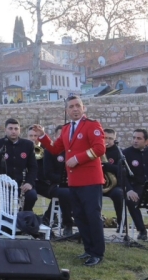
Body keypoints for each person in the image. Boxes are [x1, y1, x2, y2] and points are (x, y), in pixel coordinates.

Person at [33, 95, 106, 267]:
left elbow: (99, 148)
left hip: (90, 180)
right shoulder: (66, 129)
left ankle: (97, 252)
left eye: (77, 106)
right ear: (66, 110)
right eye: (71, 107)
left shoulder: (92, 125)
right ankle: (88, 249)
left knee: (92, 216)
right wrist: (43, 136)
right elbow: (54, 148)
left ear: (83, 108)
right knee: (80, 217)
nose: (75, 109)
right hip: (74, 181)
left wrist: (78, 159)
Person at [0, 118, 38, 211]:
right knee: (7, 201)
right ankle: (6, 222)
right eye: (10, 128)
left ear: (20, 130)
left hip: (21, 183)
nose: (13, 131)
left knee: (32, 196)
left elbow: (33, 167)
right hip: (3, 184)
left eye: (16, 129)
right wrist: (1, 180)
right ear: (5, 129)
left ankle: (23, 217)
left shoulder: (28, 145)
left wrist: (29, 183)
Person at [29, 125, 73, 237]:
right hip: (54, 185)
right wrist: (65, 179)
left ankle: (85, 225)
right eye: (60, 135)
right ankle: (68, 224)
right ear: (55, 137)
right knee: (66, 193)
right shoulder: (50, 151)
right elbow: (48, 174)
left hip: (73, 184)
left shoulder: (73, 150)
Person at [123, 129, 148, 241]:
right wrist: (129, 190)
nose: (135, 140)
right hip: (135, 187)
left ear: (146, 141)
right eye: (134, 138)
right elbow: (122, 176)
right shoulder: (125, 153)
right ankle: (142, 230)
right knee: (131, 200)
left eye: (139, 138)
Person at [101, 129, 126, 232]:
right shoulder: (96, 149)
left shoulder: (119, 152)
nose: (107, 140)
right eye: (105, 138)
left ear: (115, 139)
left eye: (110, 138)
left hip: (113, 186)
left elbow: (121, 170)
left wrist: (107, 166)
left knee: (118, 194)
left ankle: (121, 223)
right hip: (97, 184)